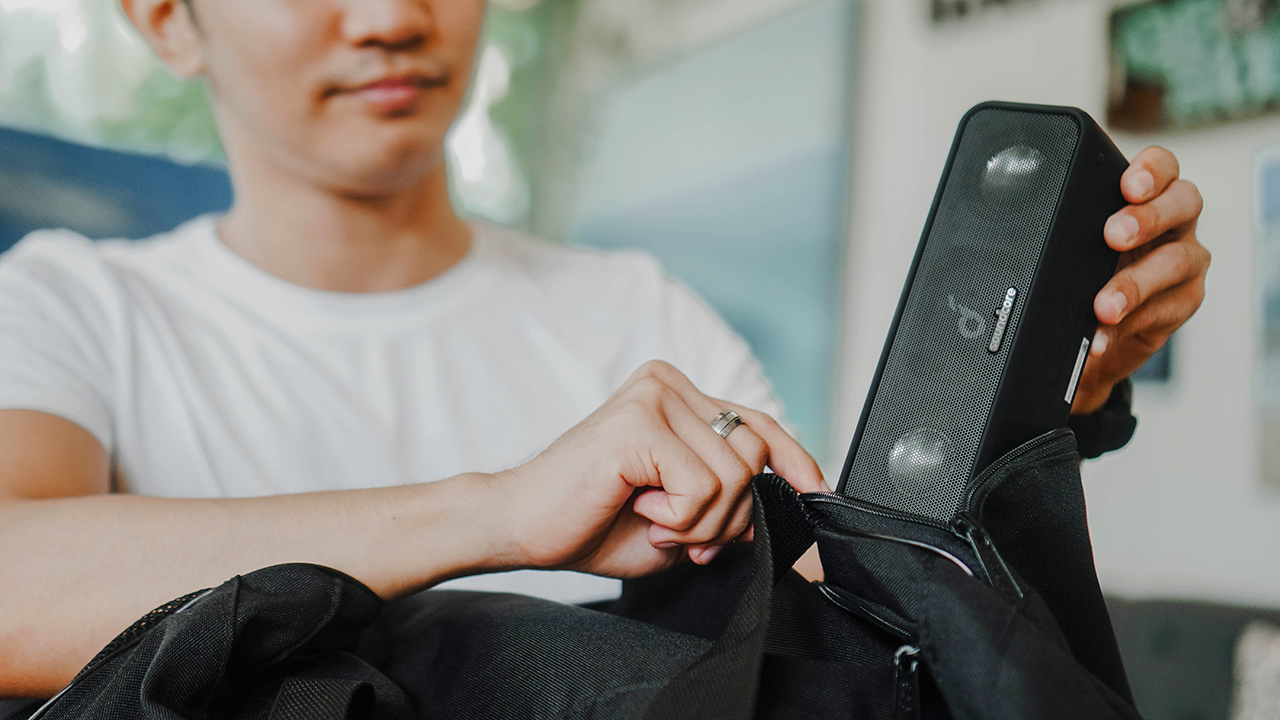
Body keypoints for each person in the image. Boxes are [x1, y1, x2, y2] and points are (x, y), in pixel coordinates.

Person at [0, 0, 1209, 700]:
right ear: (168, 19)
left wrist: (1047, 401)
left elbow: (855, 630)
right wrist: (496, 514)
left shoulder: (636, 314)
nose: (394, 19)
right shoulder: (73, 304)